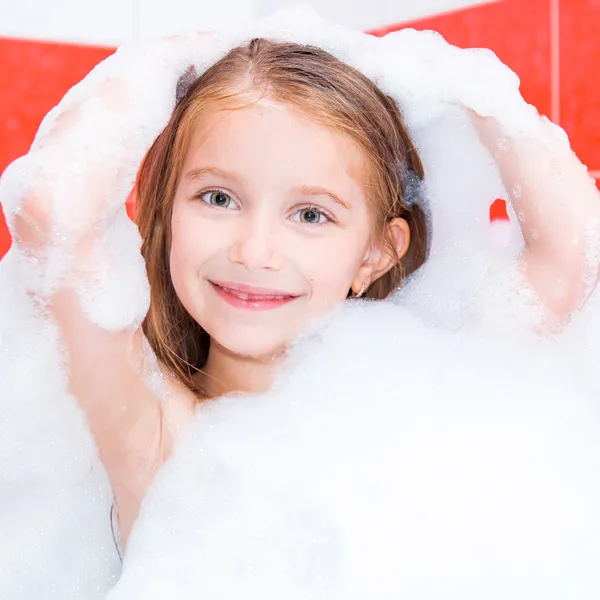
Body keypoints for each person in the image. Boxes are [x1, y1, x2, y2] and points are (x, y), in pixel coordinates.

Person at [2, 12, 600, 597]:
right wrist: (175, 55)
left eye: (310, 214)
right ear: (167, 212)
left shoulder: (426, 394)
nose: (255, 250)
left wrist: (468, 85)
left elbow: (572, 256)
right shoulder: (158, 433)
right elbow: (51, 216)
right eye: (218, 197)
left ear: (377, 253)